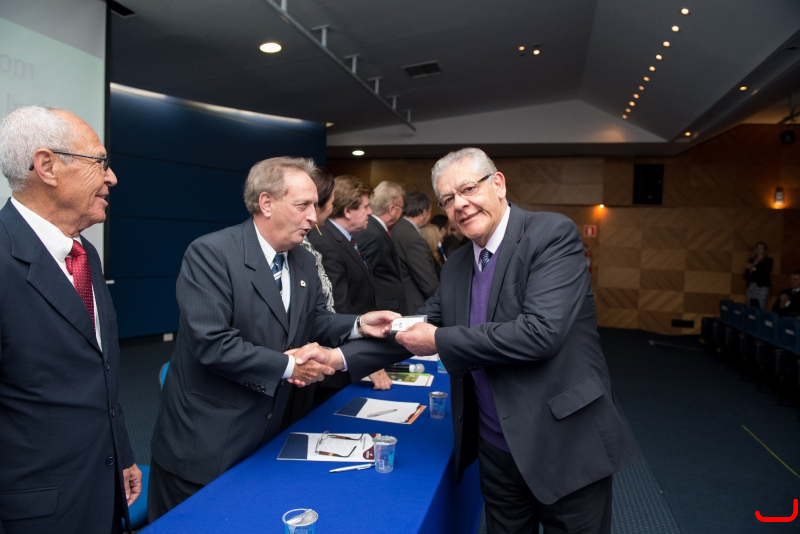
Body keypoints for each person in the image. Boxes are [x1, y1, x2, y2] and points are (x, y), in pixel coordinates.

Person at [395, 148, 638, 534]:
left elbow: (540, 334)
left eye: (468, 189)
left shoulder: (550, 235)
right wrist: (346, 347)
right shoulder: (458, 263)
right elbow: (422, 322)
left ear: (499, 184)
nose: (460, 205)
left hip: (564, 442)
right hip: (496, 447)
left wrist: (439, 340)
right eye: (448, 199)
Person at [148, 157, 402, 520]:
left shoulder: (302, 259)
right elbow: (213, 343)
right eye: (303, 205)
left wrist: (360, 324)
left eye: (315, 205)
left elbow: (315, 319)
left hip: (272, 434)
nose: (313, 217)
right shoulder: (212, 254)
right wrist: (289, 366)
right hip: (207, 444)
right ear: (266, 203)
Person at [0, 106, 141, 534]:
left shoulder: (85, 253)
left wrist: (122, 452)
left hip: (103, 487)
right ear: (46, 167)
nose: (111, 177)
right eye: (99, 162)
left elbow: (98, 370)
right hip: (36, 511)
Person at [308, 175, 391, 395]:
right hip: (337, 370)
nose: (370, 212)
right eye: (365, 207)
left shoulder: (344, 239)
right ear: (347, 211)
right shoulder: (326, 242)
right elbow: (338, 307)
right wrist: (364, 359)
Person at [354, 181, 408, 315]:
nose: (402, 212)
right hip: (381, 309)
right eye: (401, 208)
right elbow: (362, 275)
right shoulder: (371, 232)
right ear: (391, 209)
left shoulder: (376, 229)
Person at [392, 190, 440, 313]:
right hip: (415, 305)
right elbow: (428, 282)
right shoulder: (413, 238)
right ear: (424, 212)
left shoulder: (397, 229)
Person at [745, 242, 772, 309]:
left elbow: (764, 273)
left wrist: (753, 268)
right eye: (757, 248)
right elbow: (746, 276)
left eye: (761, 248)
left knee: (760, 306)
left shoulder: (768, 260)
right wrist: (750, 269)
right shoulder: (751, 260)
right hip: (751, 286)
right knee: (751, 306)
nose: (759, 249)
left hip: (762, 286)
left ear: (764, 250)